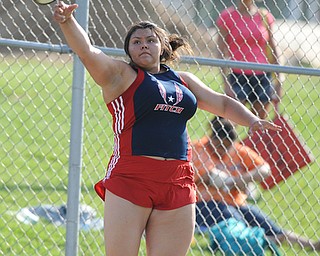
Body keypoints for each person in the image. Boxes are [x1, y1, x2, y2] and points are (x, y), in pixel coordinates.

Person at [53, 2, 281, 255]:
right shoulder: (120, 75)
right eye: (136, 41)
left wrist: (252, 120)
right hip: (132, 178)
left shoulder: (183, 80)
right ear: (128, 50)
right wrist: (66, 21)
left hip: (178, 180)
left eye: (150, 40)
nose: (143, 45)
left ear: (162, 47)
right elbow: (86, 50)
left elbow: (223, 104)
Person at [193, 117, 320, 252]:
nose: (222, 151)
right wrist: (229, 182)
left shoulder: (238, 150)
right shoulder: (198, 149)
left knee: (267, 224)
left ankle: (311, 245)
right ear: (212, 139)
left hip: (237, 203)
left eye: (227, 147)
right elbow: (211, 177)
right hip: (206, 203)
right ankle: (257, 242)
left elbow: (265, 169)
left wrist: (241, 180)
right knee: (237, 221)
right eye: (219, 146)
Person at [216, 0, 284, 119]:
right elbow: (220, 51)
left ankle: (255, 138)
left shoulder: (264, 16)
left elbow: (273, 48)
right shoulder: (227, 16)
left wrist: (279, 80)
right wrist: (226, 83)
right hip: (238, 74)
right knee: (233, 120)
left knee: (259, 121)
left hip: (262, 75)